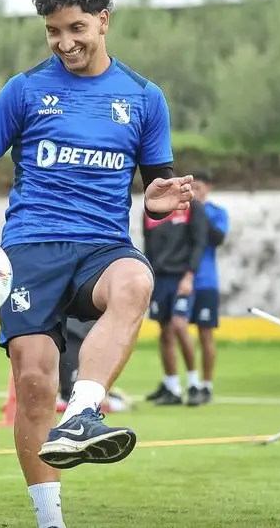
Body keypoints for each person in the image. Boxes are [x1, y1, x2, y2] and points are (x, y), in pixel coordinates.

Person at [0, 0, 194, 528]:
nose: (64, 42)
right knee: (34, 384)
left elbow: (157, 191)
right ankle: (50, 522)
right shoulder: (24, 90)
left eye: (76, 28)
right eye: (53, 31)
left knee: (136, 281)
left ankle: (82, 412)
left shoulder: (144, 97)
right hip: (31, 250)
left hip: (103, 246)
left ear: (103, 21)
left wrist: (159, 204)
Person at [142, 192, 209, 406]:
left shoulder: (191, 206)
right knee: (165, 332)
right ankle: (173, 387)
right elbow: (148, 245)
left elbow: (199, 242)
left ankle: (194, 383)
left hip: (181, 277)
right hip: (159, 277)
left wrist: (189, 275)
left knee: (179, 324)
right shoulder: (151, 208)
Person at [189, 171, 229, 404]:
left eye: (198, 187)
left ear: (208, 188)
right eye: (191, 187)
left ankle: (206, 384)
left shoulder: (216, 212)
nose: (194, 191)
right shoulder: (181, 211)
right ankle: (185, 383)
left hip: (205, 280)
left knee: (205, 333)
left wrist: (200, 211)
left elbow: (217, 239)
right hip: (180, 279)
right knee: (173, 330)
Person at [56, 317, 135, 414]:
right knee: (74, 395)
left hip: (84, 329)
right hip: (73, 331)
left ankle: (105, 396)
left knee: (77, 394)